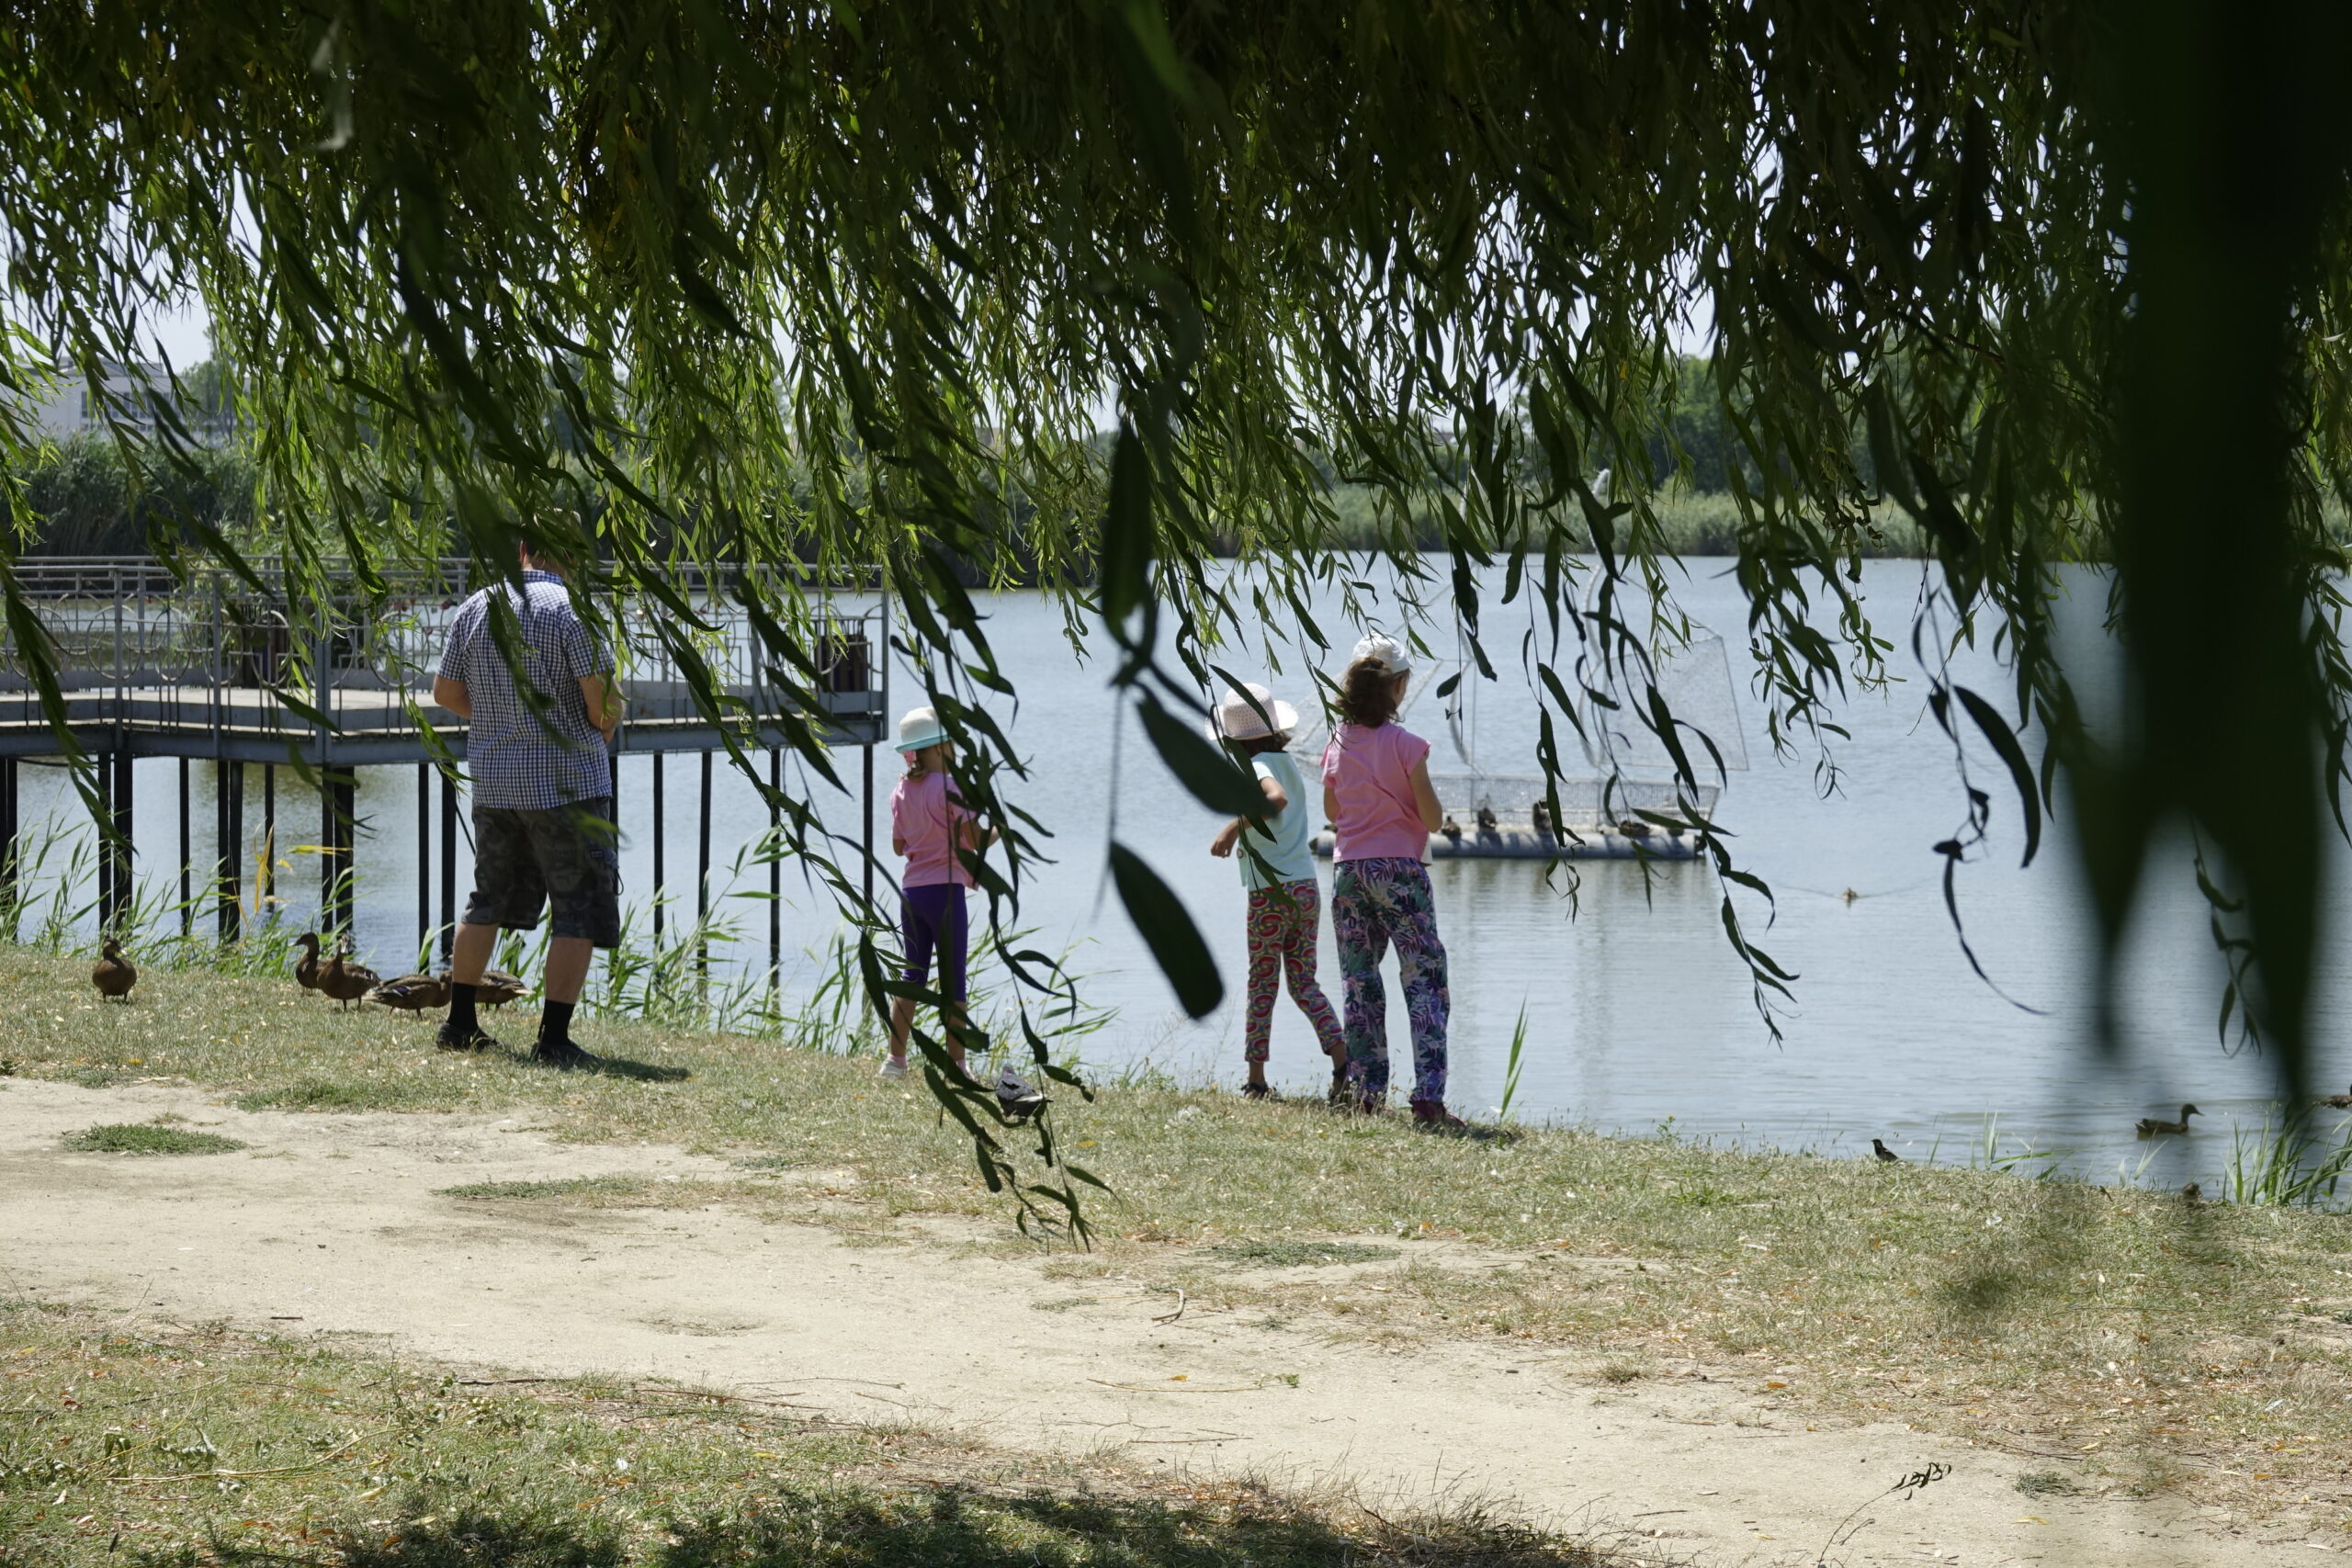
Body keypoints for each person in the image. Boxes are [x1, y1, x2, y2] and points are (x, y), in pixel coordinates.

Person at [430, 537, 623, 1069]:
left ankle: (460, 1023)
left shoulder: (476, 607)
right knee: (577, 905)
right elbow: (602, 710)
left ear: (520, 550)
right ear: (573, 555)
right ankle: (554, 1039)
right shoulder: (572, 612)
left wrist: (497, 723)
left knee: (486, 897)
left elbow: (444, 692)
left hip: (495, 783)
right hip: (566, 788)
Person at [1321, 634, 1462, 1130]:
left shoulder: (1336, 743)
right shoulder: (1408, 746)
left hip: (1348, 874)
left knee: (1360, 984)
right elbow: (1433, 818)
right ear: (1399, 688)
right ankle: (1427, 1099)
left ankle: (1367, 1093)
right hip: (1399, 872)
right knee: (1424, 980)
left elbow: (1333, 811)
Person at [1207, 682, 1347, 1102]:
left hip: (1270, 893)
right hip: (1305, 888)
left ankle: (1256, 1081)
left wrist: (1232, 827)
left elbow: (1276, 799)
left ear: (1234, 741)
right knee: (1304, 982)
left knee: (1263, 982)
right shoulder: (1285, 761)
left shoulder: (1258, 767)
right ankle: (1344, 1063)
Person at [880, 705, 995, 1079]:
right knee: (953, 980)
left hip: (912, 894)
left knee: (912, 976)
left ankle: (894, 1061)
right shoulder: (950, 788)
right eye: (950, 746)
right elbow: (974, 840)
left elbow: (899, 847)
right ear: (935, 750)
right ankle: (956, 1065)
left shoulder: (900, 790)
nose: (955, 752)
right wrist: (1000, 830)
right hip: (946, 893)